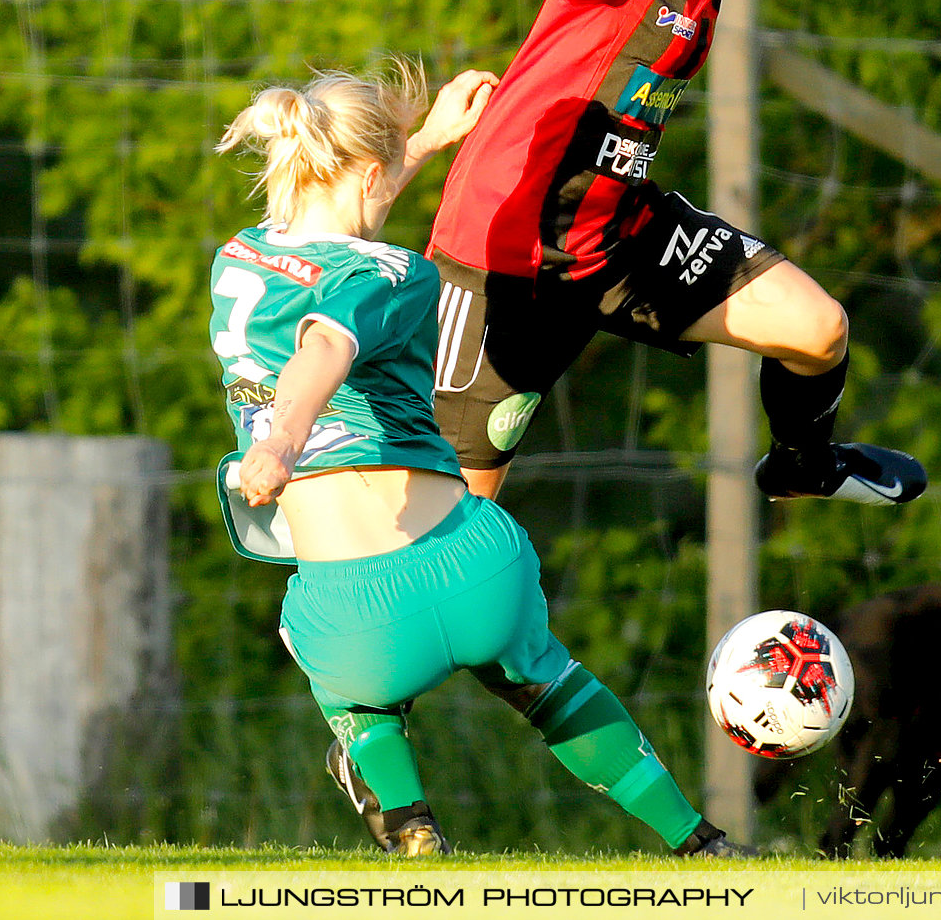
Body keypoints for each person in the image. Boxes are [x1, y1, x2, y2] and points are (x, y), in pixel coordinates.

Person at [209, 65, 748, 857]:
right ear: (369, 172)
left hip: (359, 623)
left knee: (324, 655)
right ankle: (698, 842)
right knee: (547, 679)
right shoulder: (401, 274)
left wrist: (281, 444)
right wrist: (285, 433)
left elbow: (326, 278)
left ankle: (407, 816)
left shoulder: (235, 260)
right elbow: (331, 340)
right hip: (472, 572)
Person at [424, 0, 926, 508]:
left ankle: (802, 465)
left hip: (619, 234)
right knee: (456, 526)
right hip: (510, 255)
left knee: (818, 329)